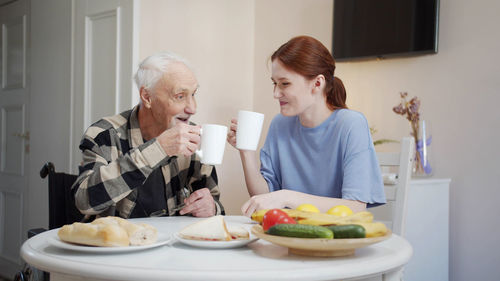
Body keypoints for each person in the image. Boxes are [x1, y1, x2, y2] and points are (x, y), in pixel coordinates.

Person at [227, 36, 385, 216]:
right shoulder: (280, 125)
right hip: (287, 235)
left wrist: (287, 197)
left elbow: (355, 206)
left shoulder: (350, 125)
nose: (275, 93)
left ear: (317, 83)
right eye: (274, 83)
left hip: (336, 239)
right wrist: (246, 151)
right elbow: (265, 199)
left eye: (284, 83)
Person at [72, 52, 224, 218]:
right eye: (180, 96)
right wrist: (157, 149)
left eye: (193, 94)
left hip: (174, 242)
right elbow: (84, 201)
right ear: (147, 97)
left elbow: (215, 204)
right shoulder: (105, 135)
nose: (192, 108)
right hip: (120, 243)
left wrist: (212, 207)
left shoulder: (193, 136)